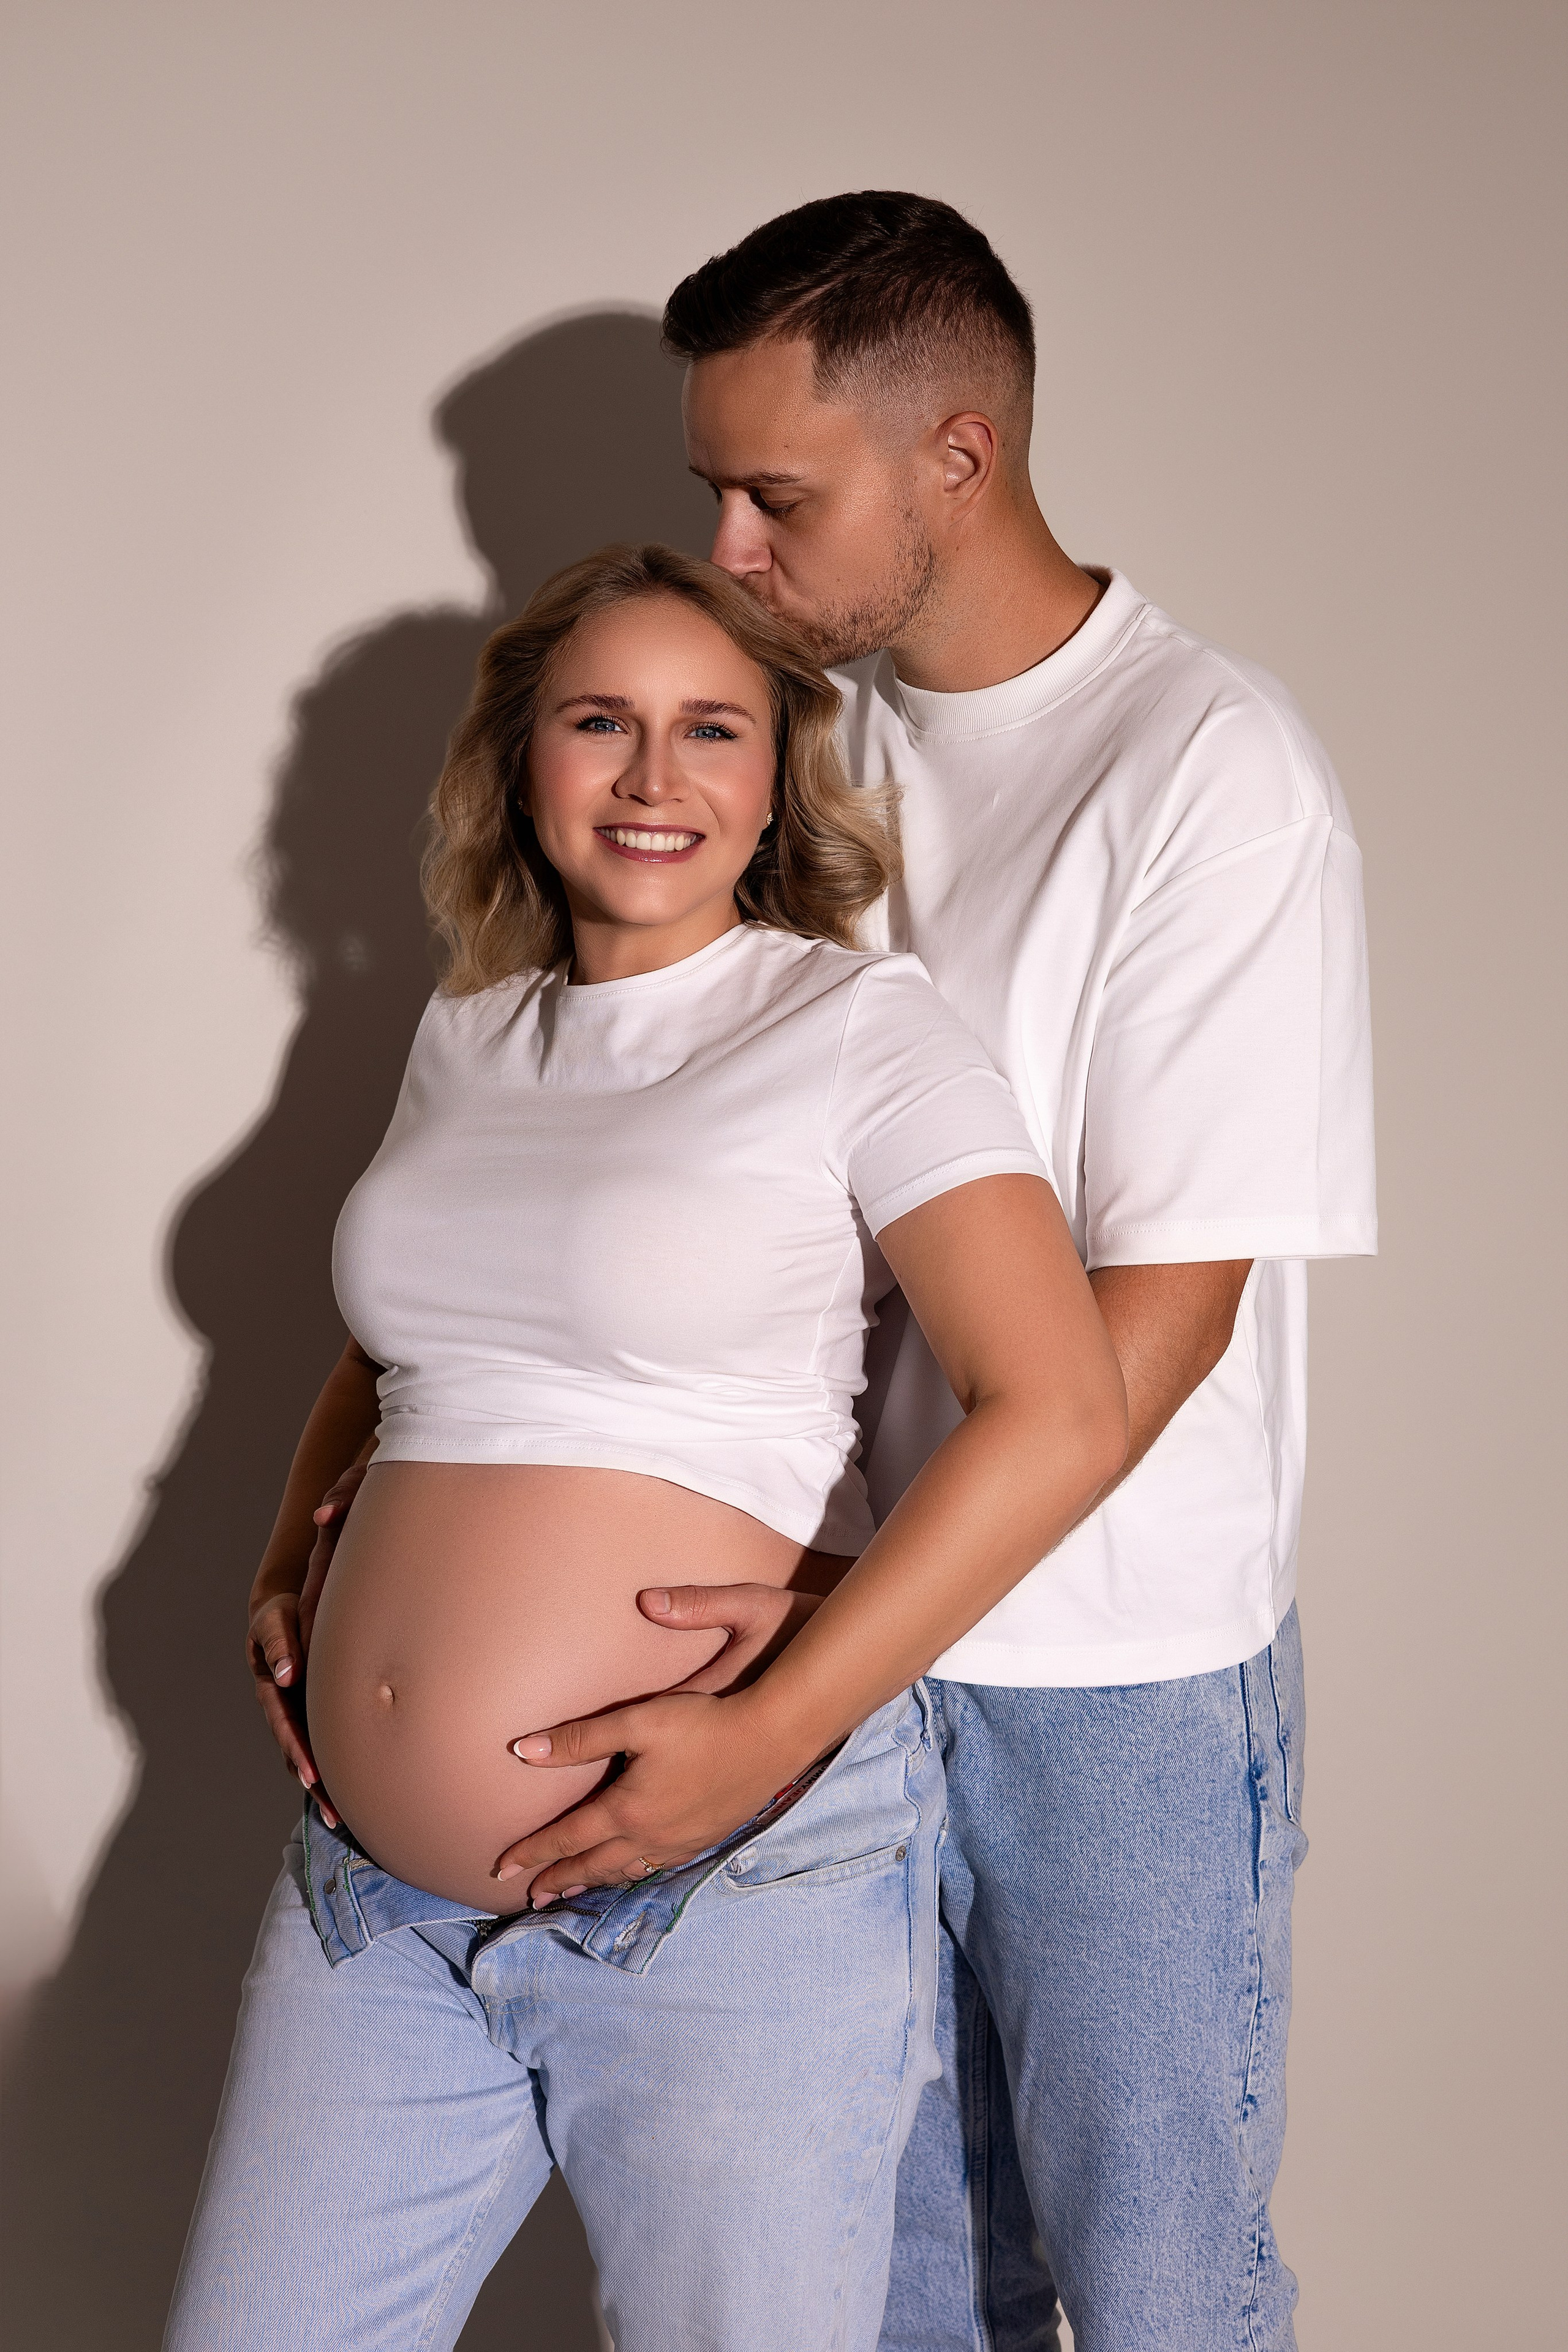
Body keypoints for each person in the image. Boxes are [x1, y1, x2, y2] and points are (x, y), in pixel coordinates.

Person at [478, 197, 1378, 2350]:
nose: (730, 546)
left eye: (776, 495)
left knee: (1158, 2292)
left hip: (1121, 1687)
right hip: (844, 1653)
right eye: (717, 489)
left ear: (956, 461)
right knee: (874, 2295)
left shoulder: (1209, 775)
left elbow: (1145, 1342)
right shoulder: (806, 755)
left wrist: (815, 1664)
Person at [189, 542, 1127, 2351]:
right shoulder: (470, 1032)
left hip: (726, 1877)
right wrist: (293, 1553)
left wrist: (765, 1732)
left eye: (712, 729)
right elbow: (404, 1338)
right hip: (374, 1903)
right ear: (518, 758)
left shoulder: (858, 1028)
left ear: (778, 775)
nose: (651, 777)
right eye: (598, 721)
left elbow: (1062, 1409)